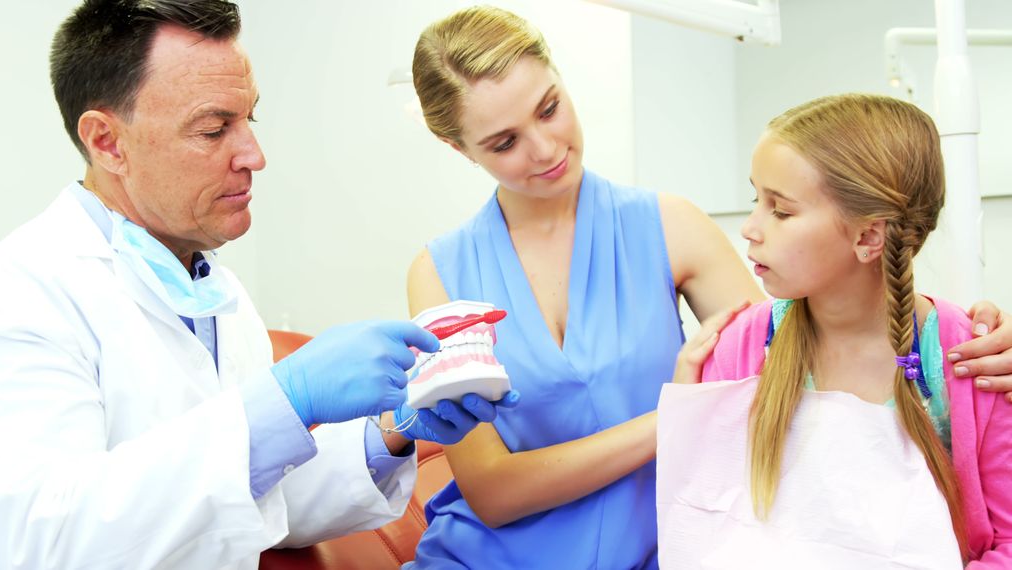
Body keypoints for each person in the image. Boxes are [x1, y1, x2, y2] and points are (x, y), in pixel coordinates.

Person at [403, 6, 1012, 569]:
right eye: (504, 142)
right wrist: (679, 415)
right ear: (457, 147)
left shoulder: (670, 226)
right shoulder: (439, 273)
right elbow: (493, 492)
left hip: (658, 552)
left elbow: (805, 350)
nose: (545, 148)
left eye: (548, 108)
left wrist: (966, 333)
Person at [0, 1, 517, 568]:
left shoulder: (212, 290)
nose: (255, 156)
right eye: (214, 130)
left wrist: (390, 432)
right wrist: (286, 401)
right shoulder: (18, 296)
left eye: (249, 119)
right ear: (107, 142)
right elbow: (56, 542)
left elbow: (255, 500)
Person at [665, 93, 1011, 567]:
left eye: (781, 211)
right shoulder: (739, 350)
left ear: (869, 237)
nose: (750, 228)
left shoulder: (971, 359)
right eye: (756, 200)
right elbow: (703, 525)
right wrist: (688, 411)